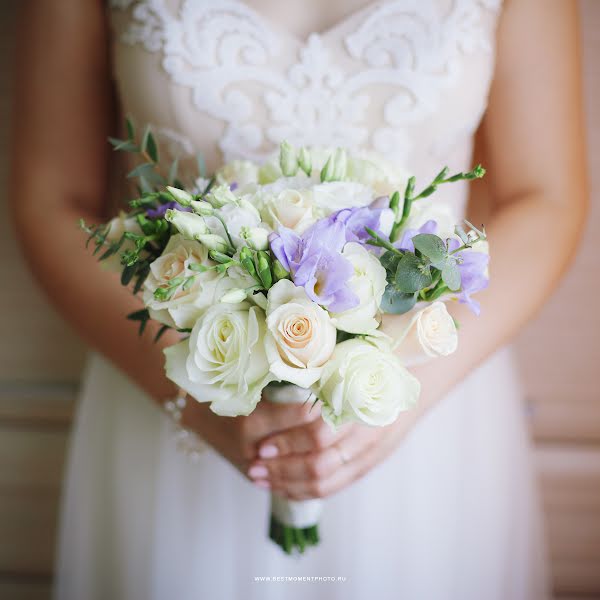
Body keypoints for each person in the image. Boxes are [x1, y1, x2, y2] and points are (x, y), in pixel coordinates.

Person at [10, 1, 587, 598]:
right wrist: (194, 395)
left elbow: (544, 196)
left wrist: (404, 390)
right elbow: (51, 200)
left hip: (426, 404)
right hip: (170, 390)